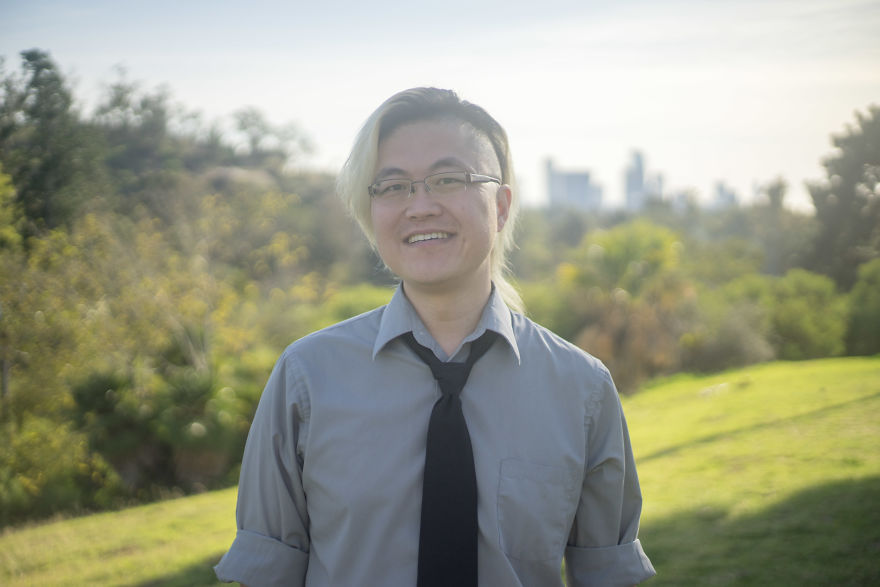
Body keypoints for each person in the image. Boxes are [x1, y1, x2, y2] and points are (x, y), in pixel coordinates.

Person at [214, 87, 655, 586]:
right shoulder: (306, 377)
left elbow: (606, 575)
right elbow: (268, 573)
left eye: (448, 179)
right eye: (393, 186)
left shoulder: (582, 388)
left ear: (502, 205)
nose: (420, 206)